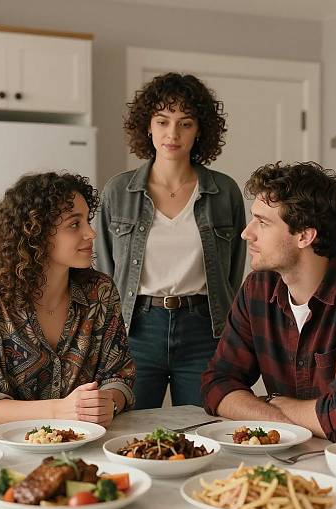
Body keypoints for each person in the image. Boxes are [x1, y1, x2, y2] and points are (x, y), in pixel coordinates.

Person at [201, 161, 336, 456]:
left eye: (263, 223)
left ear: (304, 236)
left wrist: (266, 405)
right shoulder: (257, 289)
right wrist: (279, 417)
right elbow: (217, 385)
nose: (246, 233)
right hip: (294, 460)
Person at [95, 72, 246, 409]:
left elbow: (234, 272)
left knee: (202, 431)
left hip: (204, 330)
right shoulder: (118, 192)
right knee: (128, 433)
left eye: (185, 123)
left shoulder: (225, 192)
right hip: (135, 328)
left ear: (200, 130)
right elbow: (101, 270)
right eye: (163, 121)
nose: (172, 134)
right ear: (147, 126)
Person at [0, 172, 135, 427]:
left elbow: (119, 374)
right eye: (75, 225)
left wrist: (109, 402)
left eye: (87, 221)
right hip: (4, 451)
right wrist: (59, 410)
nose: (90, 233)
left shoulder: (101, 293)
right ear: (36, 234)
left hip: (81, 445)